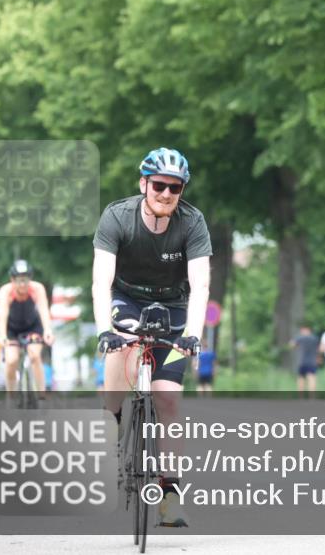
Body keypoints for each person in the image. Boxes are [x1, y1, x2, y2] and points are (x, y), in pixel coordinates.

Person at [93, 147, 212, 528]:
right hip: (126, 299)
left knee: (169, 397)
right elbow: (100, 281)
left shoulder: (192, 223)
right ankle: (112, 414)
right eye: (158, 185)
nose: (165, 194)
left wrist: (193, 333)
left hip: (175, 310)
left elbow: (202, 284)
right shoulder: (117, 216)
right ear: (144, 183)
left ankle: (170, 495)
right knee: (122, 349)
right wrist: (104, 331)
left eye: (174, 188)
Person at [0, 260, 54, 395]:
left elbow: (43, 310)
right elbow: (2, 316)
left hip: (32, 327)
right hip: (11, 329)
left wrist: (48, 330)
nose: (22, 284)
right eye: (18, 280)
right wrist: (2, 337)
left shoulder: (37, 289)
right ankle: (10, 396)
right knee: (11, 361)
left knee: (35, 355)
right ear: (12, 280)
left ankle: (41, 395)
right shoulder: (6, 291)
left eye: (25, 280)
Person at [289, 324, 318, 396]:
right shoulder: (314, 338)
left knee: (301, 378)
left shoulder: (300, 338)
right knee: (312, 378)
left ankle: (300, 396)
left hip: (302, 361)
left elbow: (291, 344)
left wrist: (296, 347)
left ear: (304, 330)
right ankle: (312, 396)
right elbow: (320, 348)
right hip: (312, 361)